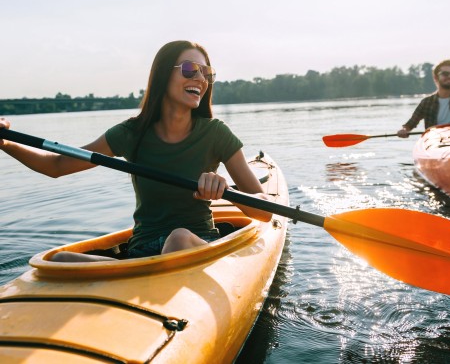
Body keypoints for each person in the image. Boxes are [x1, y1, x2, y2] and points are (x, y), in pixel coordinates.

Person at [0, 40, 272, 262]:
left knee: (177, 238)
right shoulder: (131, 133)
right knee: (58, 260)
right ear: (164, 74)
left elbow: (265, 211)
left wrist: (226, 190)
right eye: (190, 69)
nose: (201, 79)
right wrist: (6, 143)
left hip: (195, 244)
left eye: (206, 73)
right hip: (142, 251)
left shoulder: (216, 133)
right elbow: (56, 166)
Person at [397, 59, 450, 137]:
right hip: (434, 141)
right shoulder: (426, 102)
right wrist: (404, 130)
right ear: (436, 77)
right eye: (445, 74)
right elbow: (410, 124)